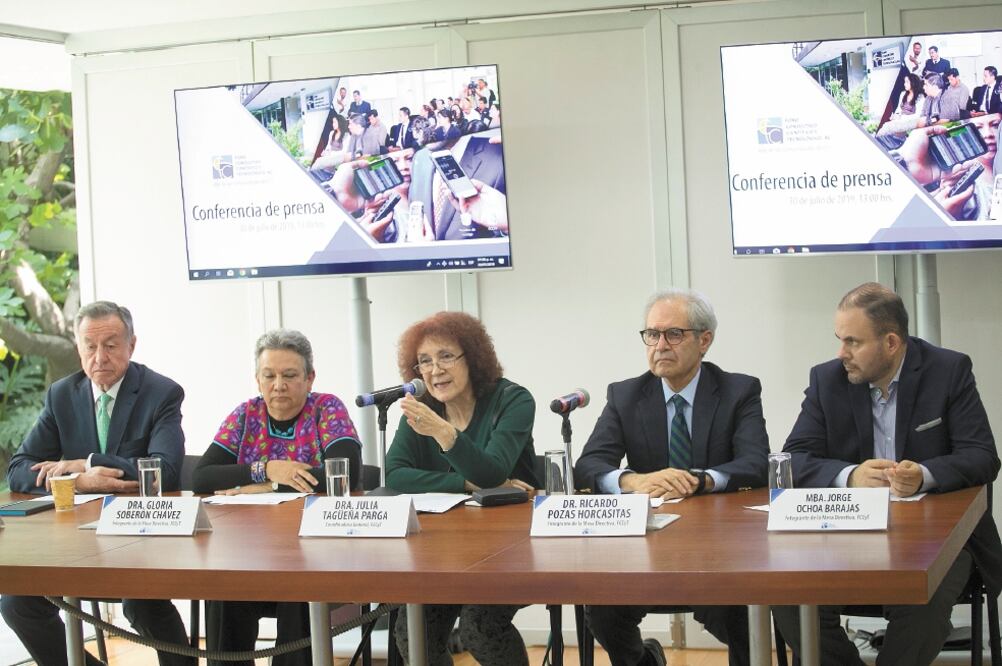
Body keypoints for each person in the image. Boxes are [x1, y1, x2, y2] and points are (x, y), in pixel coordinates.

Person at [772, 282, 1002, 666]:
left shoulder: (948, 371)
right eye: (839, 339)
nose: (841, 353)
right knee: (788, 595)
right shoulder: (827, 380)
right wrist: (850, 475)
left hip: (938, 538)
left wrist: (925, 474)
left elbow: (982, 457)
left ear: (891, 342)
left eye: (852, 342)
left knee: (920, 601)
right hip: (847, 533)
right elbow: (793, 458)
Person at [575, 289, 768, 666]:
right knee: (601, 609)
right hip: (645, 548)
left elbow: (756, 462)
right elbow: (589, 465)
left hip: (719, 550)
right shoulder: (626, 395)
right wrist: (633, 481)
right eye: (652, 335)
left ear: (704, 340)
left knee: (741, 614)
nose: (660, 345)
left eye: (673, 334)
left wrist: (702, 479)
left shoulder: (738, 390)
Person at [1, 300, 193, 666]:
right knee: (16, 602)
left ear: (131, 345)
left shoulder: (161, 392)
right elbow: (20, 469)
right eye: (90, 346)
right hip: (73, 542)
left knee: (142, 601)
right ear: (78, 347)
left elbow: (165, 470)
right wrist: (80, 480)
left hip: (141, 538)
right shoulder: (62, 395)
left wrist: (88, 462)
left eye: (110, 345)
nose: (99, 357)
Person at [193, 329, 362, 666]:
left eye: (289, 375)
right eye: (269, 376)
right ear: (257, 380)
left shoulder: (326, 408)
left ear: (309, 378)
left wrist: (264, 486)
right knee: (222, 586)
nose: (278, 385)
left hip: (314, 551)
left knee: (299, 587)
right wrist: (268, 469)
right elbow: (201, 476)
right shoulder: (245, 414)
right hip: (248, 554)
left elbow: (346, 474)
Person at [385, 311, 538, 666]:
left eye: (446, 357)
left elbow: (493, 470)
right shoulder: (422, 409)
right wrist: (465, 483)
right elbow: (394, 474)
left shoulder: (513, 400)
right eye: (424, 361)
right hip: (445, 550)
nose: (435, 370)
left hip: (511, 548)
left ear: (474, 357)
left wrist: (443, 433)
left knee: (480, 626)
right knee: (413, 630)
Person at [877, 72, 925, 138]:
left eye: (907, 82)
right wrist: (895, 115)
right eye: (904, 82)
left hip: (911, 121)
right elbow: (898, 109)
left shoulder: (920, 97)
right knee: (886, 127)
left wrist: (902, 117)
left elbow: (918, 115)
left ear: (913, 83)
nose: (905, 84)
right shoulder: (903, 94)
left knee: (887, 126)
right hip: (900, 120)